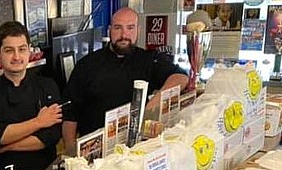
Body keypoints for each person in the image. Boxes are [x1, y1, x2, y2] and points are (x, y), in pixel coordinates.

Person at [62, 7, 188, 153]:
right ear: (109, 30)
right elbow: (69, 113)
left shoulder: (150, 60)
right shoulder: (86, 65)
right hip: (95, 151)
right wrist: (70, 152)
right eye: (118, 28)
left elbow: (181, 77)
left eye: (130, 27)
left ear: (138, 30)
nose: (124, 34)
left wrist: (156, 100)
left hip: (138, 150)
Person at [0, 21, 62, 170]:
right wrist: (39, 122)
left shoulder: (47, 85)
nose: (16, 57)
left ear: (29, 50)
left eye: (22, 49)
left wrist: (5, 148)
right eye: (9, 50)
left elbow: (50, 137)